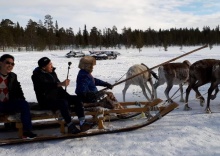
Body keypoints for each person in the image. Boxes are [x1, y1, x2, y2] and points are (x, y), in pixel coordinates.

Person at [31, 57, 93, 134]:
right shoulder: (36, 76)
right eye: (49, 64)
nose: (52, 66)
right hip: (46, 101)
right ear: (43, 67)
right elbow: (44, 86)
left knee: (77, 99)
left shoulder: (52, 73)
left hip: (57, 98)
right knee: (63, 103)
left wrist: (68, 96)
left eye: (51, 64)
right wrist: (59, 84)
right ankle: (70, 126)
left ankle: (82, 123)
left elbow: (59, 89)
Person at [0, 54, 37, 138]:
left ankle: (27, 131)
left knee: (24, 104)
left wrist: (22, 101)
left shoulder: (13, 76)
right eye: (7, 63)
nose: (10, 65)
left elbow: (18, 91)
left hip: (8, 103)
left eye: (12, 64)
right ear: (0, 63)